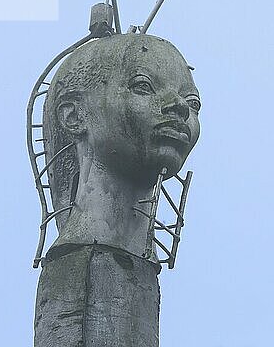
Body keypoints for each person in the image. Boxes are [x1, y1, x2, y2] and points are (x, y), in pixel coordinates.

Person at [35, 33, 201, 347]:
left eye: (193, 103)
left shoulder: (145, 273)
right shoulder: (73, 266)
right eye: (143, 86)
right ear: (73, 115)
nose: (180, 108)